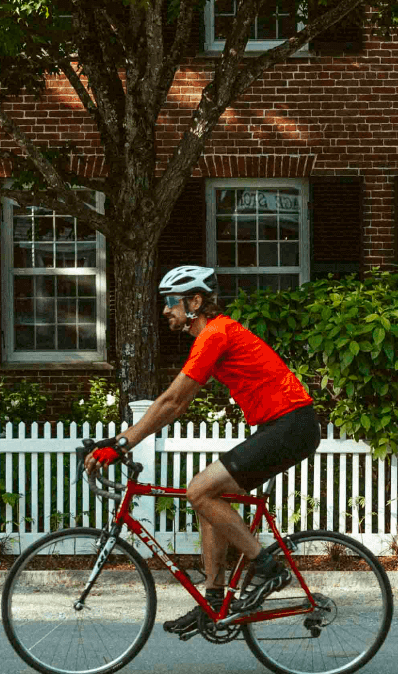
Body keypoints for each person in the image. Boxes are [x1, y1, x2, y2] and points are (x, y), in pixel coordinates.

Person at [83, 264, 320, 636]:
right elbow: (176, 403)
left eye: (171, 302)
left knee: (198, 489)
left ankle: (267, 568)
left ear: (195, 301)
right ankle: (213, 600)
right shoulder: (212, 337)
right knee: (210, 497)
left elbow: (173, 402)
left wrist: (123, 441)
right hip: (285, 426)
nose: (165, 311)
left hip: (291, 425)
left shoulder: (216, 334)